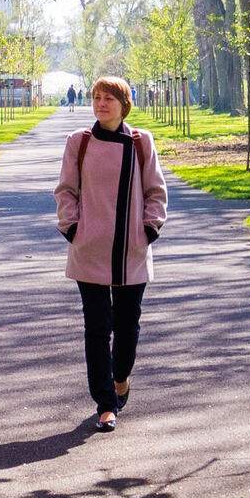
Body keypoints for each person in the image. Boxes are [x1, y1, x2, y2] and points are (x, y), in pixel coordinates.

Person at [55, 75, 166, 430]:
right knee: (97, 328)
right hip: (89, 249)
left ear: (124, 104)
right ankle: (106, 402)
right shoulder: (79, 142)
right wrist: (72, 228)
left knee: (128, 325)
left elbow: (156, 192)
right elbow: (66, 191)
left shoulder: (141, 143)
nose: (101, 104)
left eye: (109, 98)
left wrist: (149, 229)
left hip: (131, 250)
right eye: (97, 97)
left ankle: (121, 378)